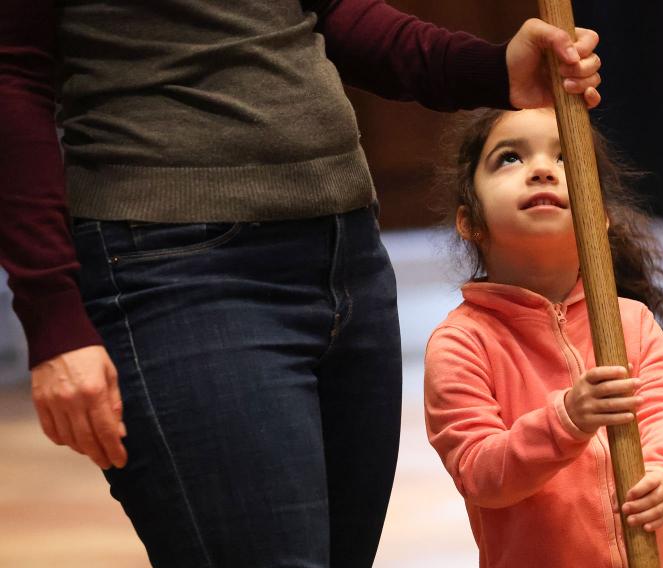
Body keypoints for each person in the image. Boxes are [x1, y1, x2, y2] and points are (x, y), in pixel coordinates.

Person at [0, 1, 602, 566]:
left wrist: (489, 69)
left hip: (346, 250)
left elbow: (330, 10)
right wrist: (51, 312)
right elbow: (11, 75)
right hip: (175, 266)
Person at [424, 107, 663, 567]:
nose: (541, 170)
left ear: (602, 217)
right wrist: (566, 419)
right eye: (509, 158)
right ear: (468, 221)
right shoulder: (462, 343)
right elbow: (479, 472)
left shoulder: (629, 322)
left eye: (565, 158)